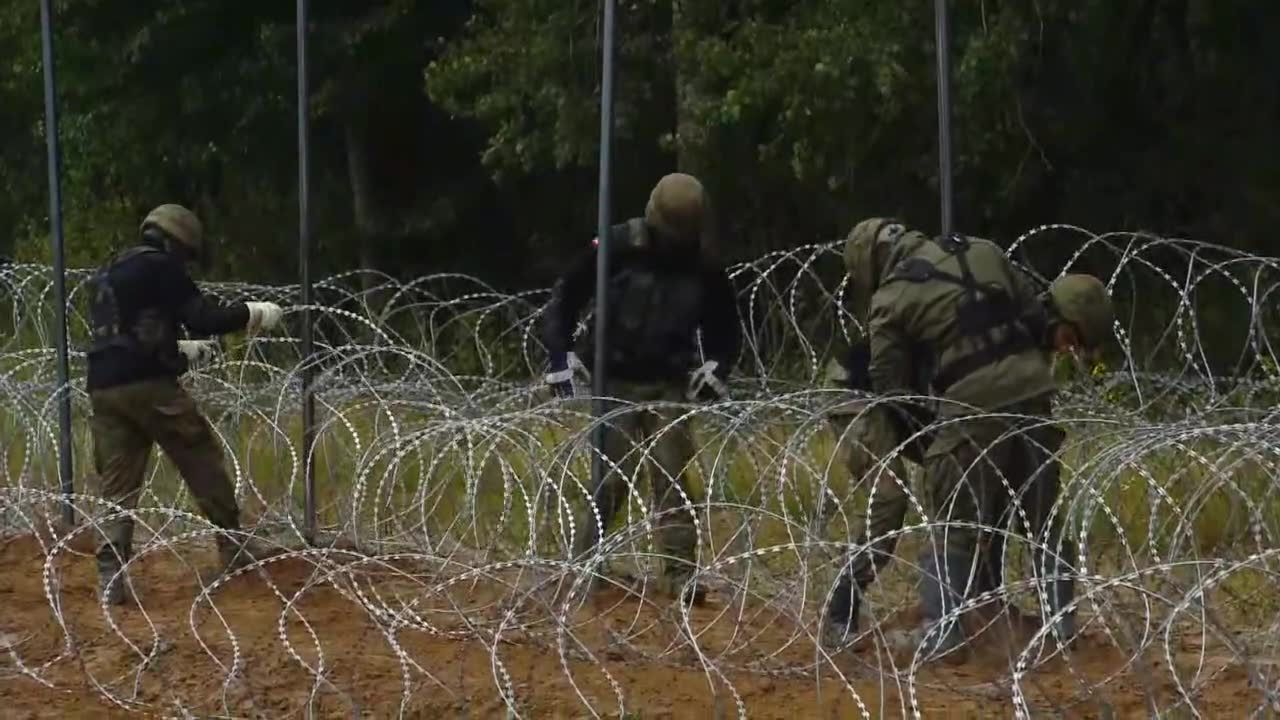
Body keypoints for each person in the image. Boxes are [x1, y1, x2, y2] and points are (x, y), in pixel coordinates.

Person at [842, 217, 1112, 661]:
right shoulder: (982, 249)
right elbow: (1034, 316)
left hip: (972, 408)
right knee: (1041, 522)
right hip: (1034, 395)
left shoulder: (890, 298)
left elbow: (890, 387)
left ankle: (945, 634)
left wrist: (928, 441)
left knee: (953, 529)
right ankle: (1061, 628)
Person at [541, 173, 741, 606]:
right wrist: (560, 356)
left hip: (669, 380)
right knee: (610, 478)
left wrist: (718, 367)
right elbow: (566, 296)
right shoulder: (618, 246)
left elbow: (727, 325)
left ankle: (679, 574)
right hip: (614, 377)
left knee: (672, 477)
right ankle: (585, 565)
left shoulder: (703, 263)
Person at [86, 203, 284, 606]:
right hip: (149, 388)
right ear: (175, 243)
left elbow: (126, 333)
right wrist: (251, 313)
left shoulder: (112, 270)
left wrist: (179, 351)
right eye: (187, 255)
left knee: (117, 486)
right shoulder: (161, 266)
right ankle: (233, 548)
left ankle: (111, 577)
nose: (186, 264)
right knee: (201, 457)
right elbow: (202, 317)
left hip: (104, 388)